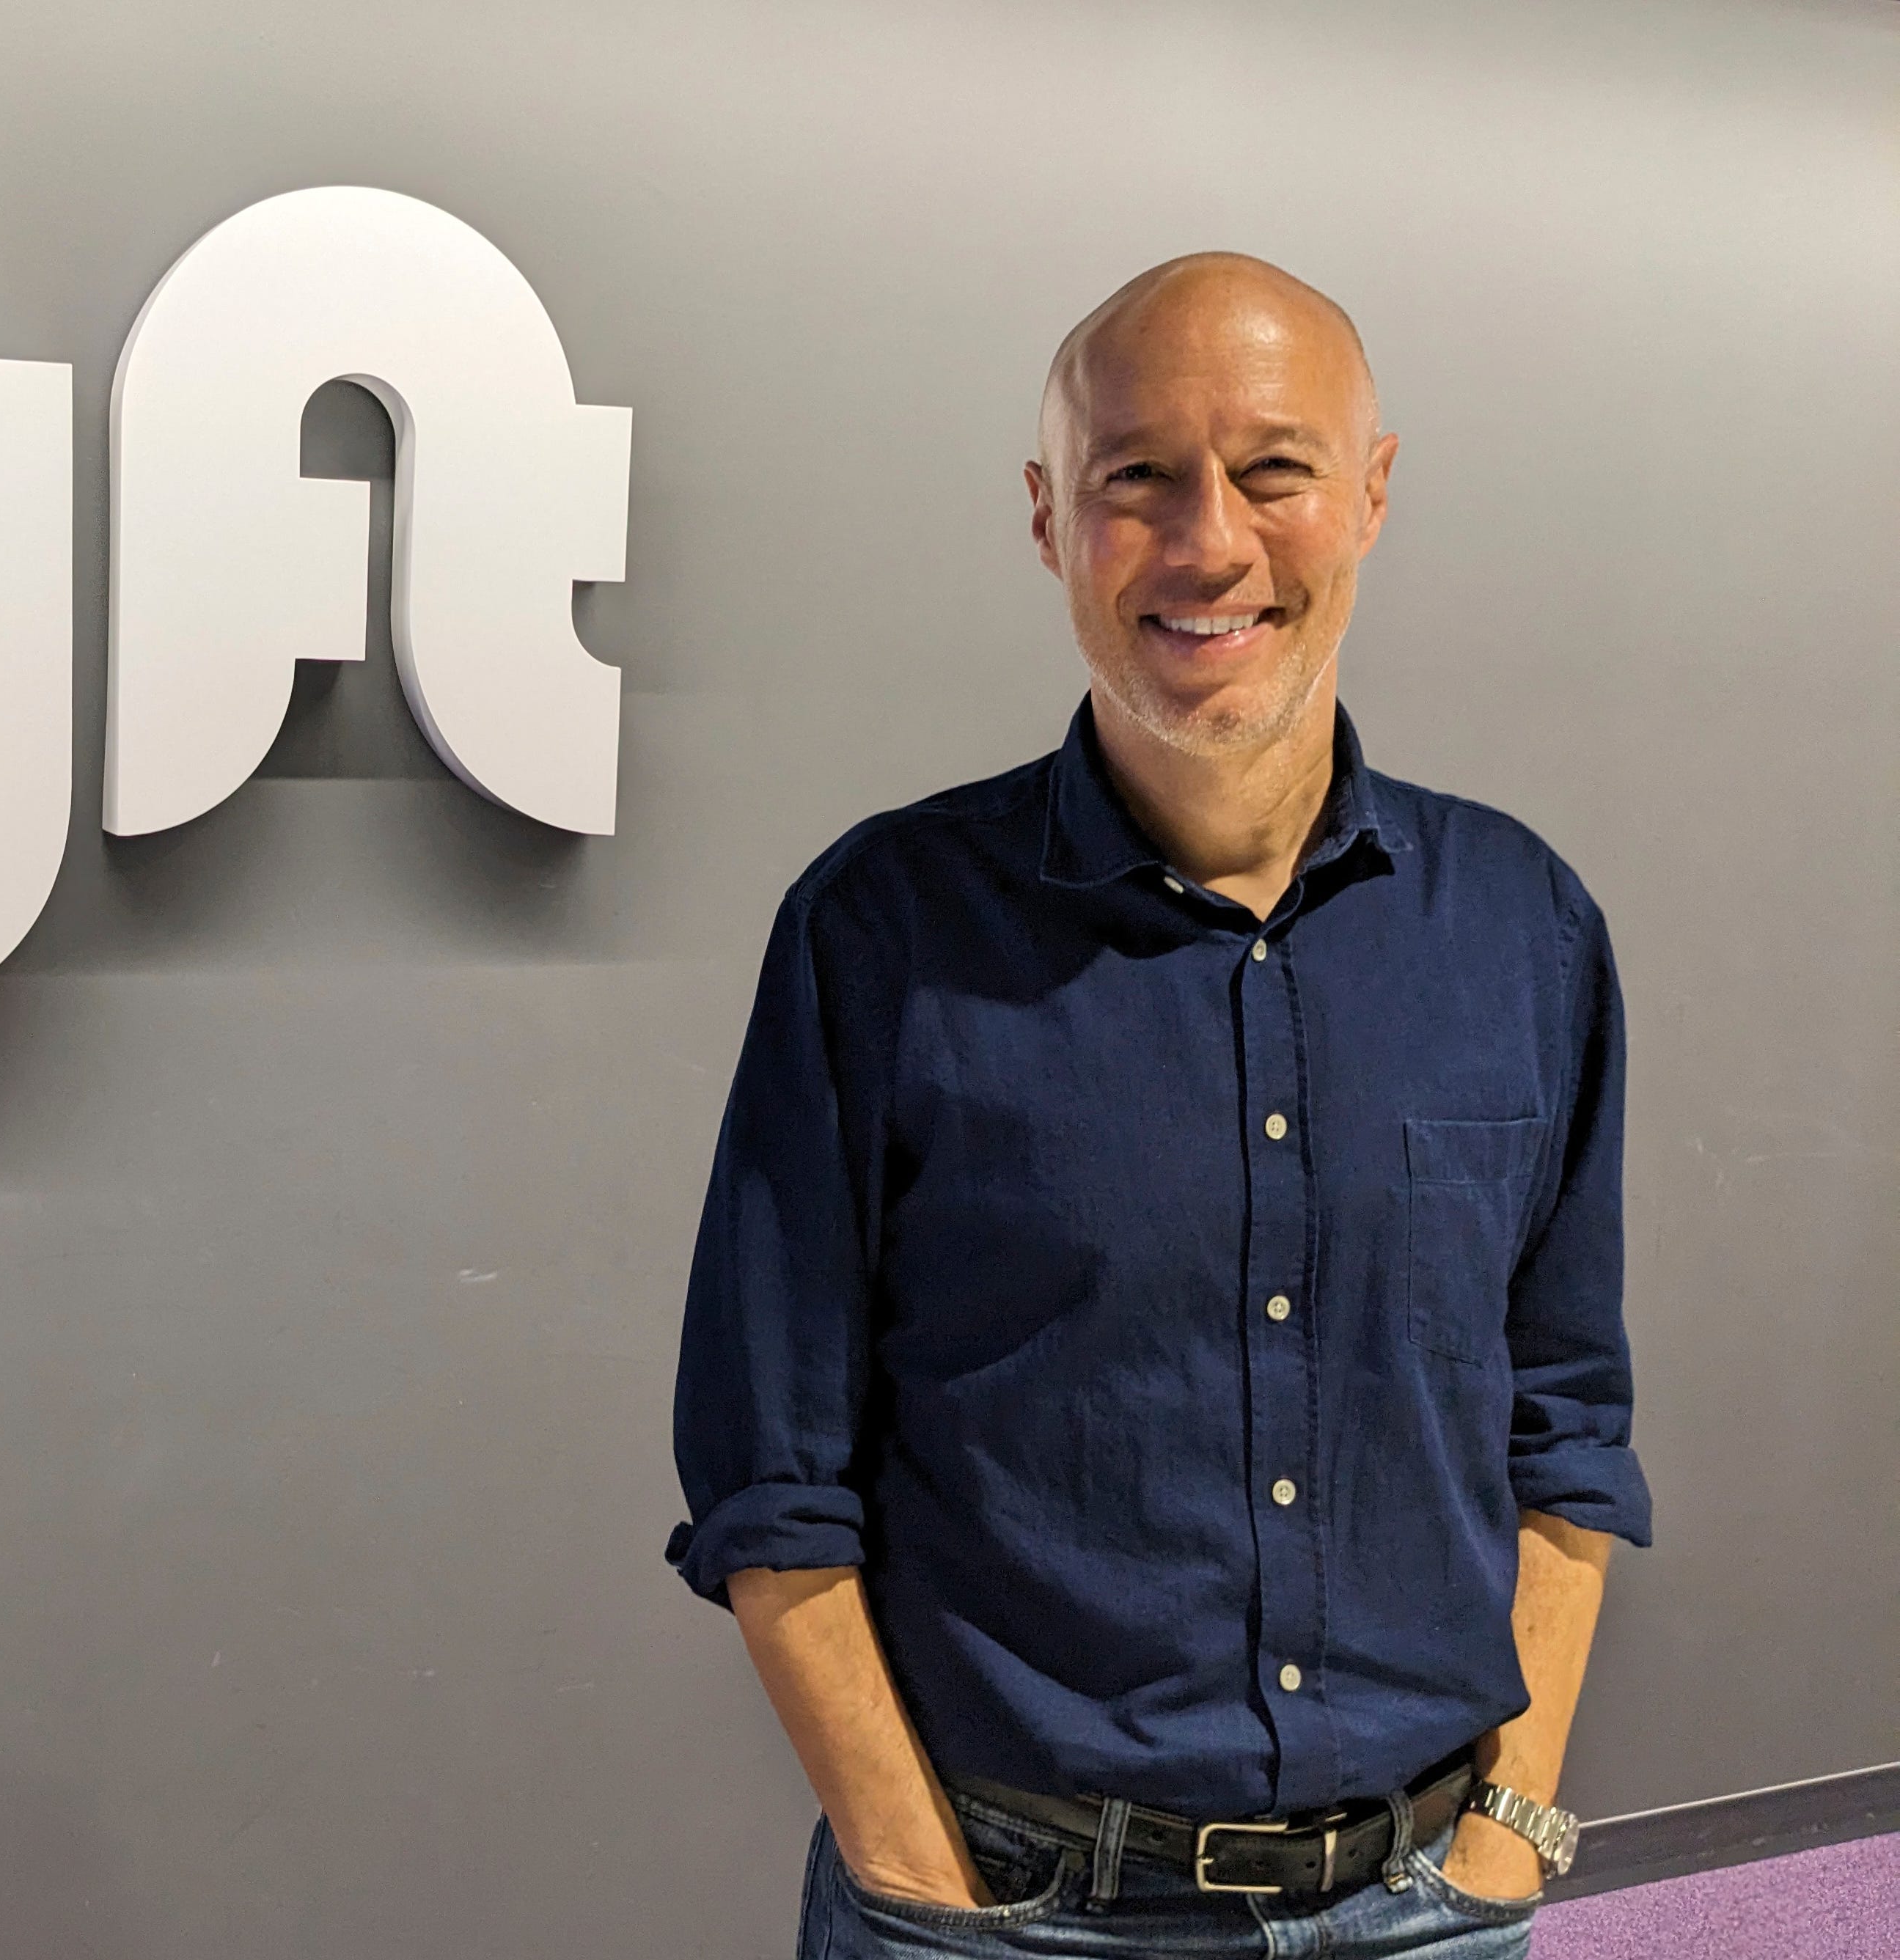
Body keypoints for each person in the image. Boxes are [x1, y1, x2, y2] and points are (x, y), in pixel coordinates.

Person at [667, 254, 1651, 1957]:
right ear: (1049, 517)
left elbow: (1563, 1422)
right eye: (1138, 478)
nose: (1209, 543)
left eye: (1274, 468)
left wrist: (1507, 1833)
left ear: (1370, 494)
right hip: (1009, 1914)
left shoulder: (1522, 927)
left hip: (1431, 1902)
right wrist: (918, 1879)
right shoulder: (882, 932)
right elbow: (772, 1477)